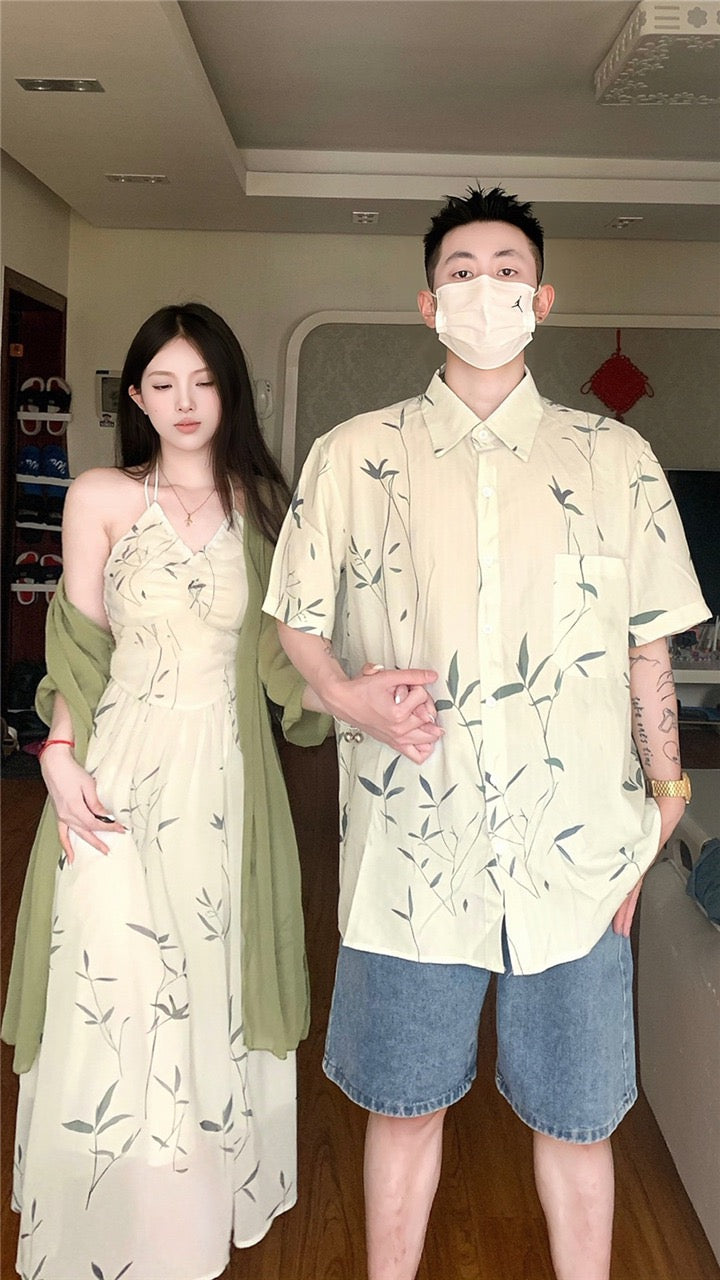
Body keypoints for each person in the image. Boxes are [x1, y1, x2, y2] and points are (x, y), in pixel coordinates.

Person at [263, 187, 709, 1280]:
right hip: (412, 848)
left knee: (580, 1119)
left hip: (576, 852)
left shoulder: (616, 458)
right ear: (428, 303)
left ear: (541, 298)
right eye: (460, 271)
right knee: (404, 1107)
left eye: (507, 270)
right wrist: (348, 696)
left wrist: (667, 800)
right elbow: (295, 624)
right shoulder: (352, 455)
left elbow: (649, 646)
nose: (484, 288)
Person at [3, 302, 330, 1280]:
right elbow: (79, 647)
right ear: (137, 399)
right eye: (162, 383)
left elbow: (288, 660)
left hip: (225, 789)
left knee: (206, 994)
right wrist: (57, 752)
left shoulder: (265, 508)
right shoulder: (100, 495)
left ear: (230, 393)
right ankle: (98, 1224)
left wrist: (357, 694)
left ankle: (179, 1237)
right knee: (113, 983)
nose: (184, 401)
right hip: (113, 777)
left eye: (203, 381)